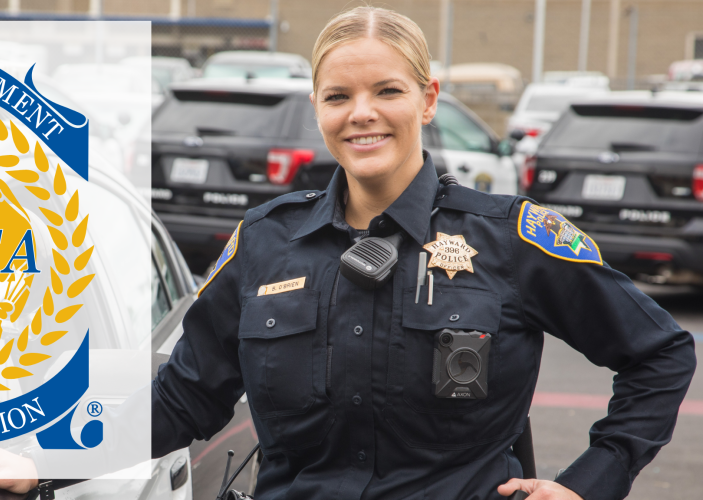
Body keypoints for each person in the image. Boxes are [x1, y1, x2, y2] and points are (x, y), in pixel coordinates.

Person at [151, 6, 696, 500]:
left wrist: (590, 483)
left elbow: (660, 353)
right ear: (317, 107)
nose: (361, 113)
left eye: (387, 91)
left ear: (428, 99)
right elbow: (183, 401)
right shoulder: (265, 241)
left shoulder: (510, 237)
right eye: (338, 96)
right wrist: (72, 435)